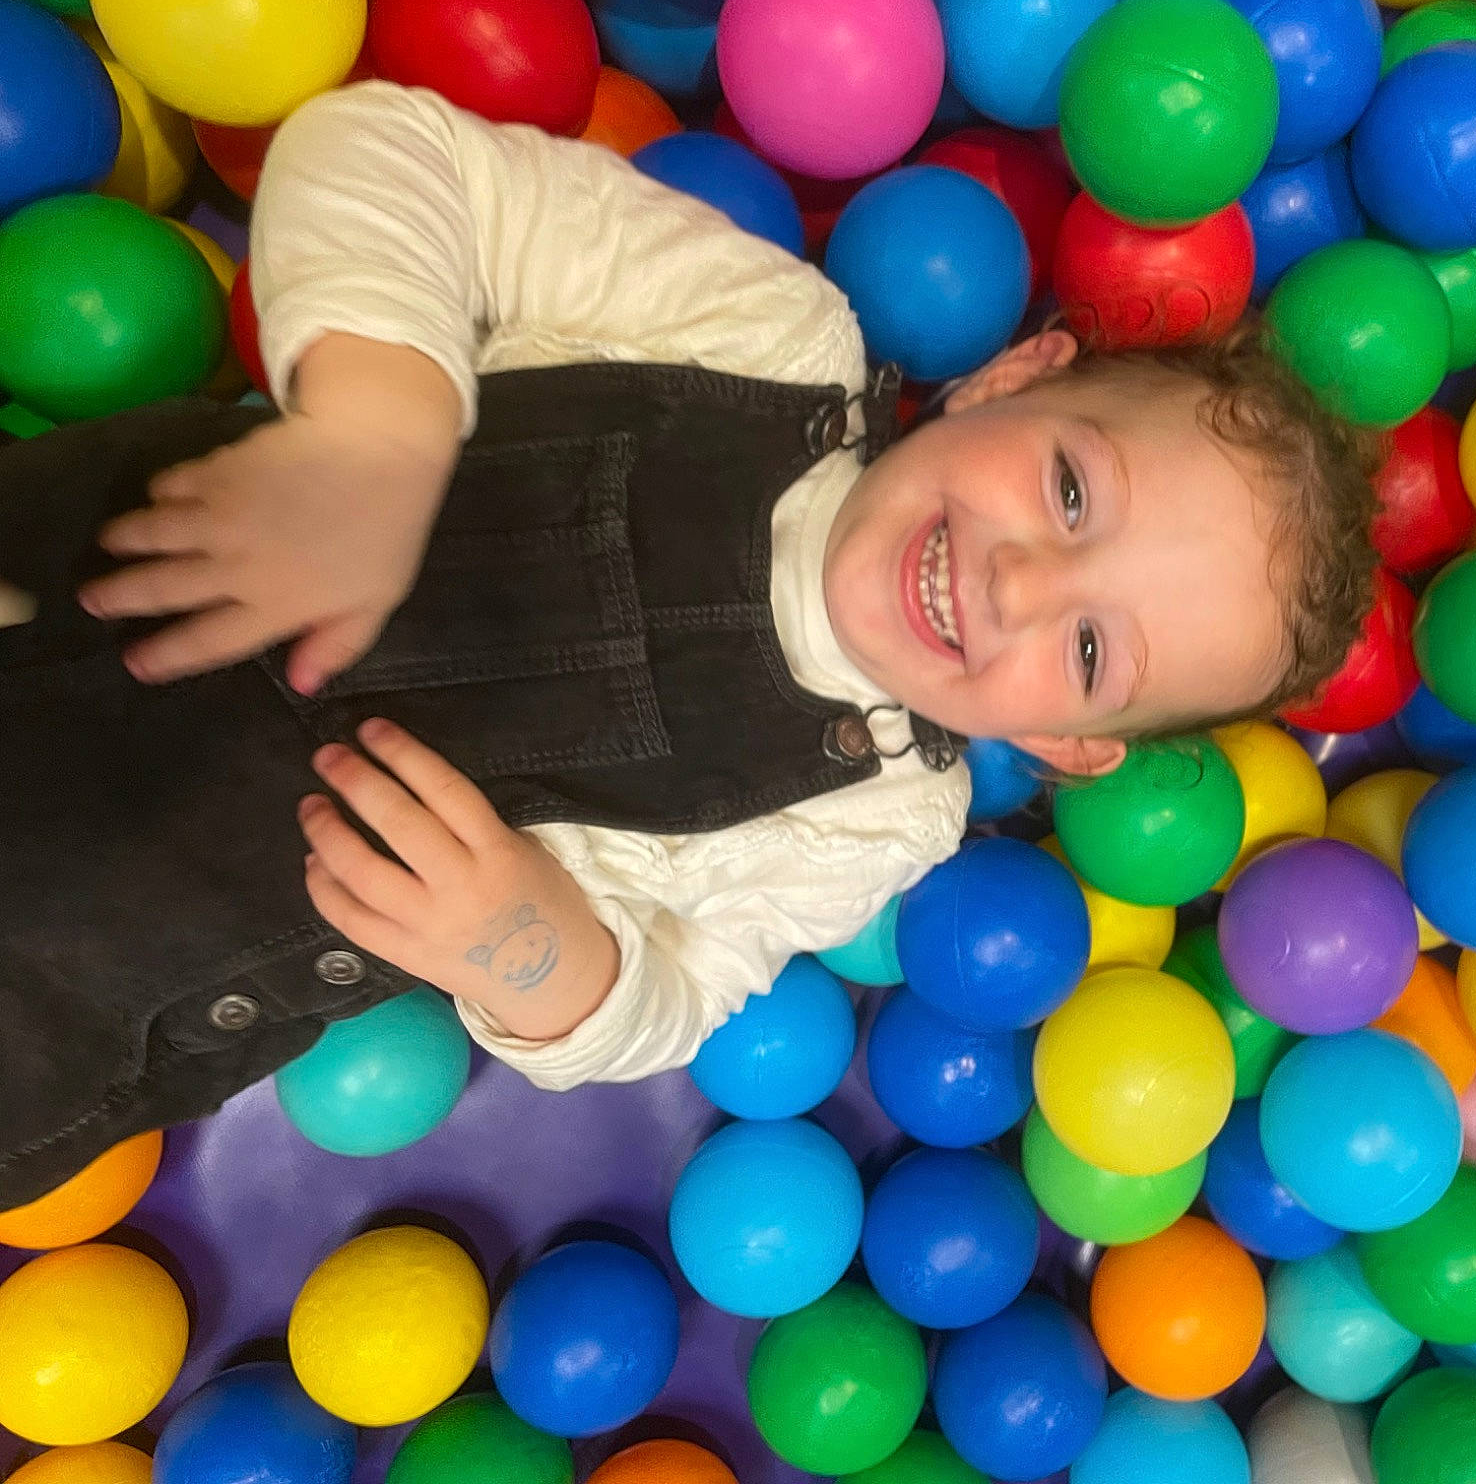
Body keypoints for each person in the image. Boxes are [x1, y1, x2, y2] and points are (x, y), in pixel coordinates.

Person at [0, 81, 1379, 1207]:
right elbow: (388, 152)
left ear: (1067, 746)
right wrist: (377, 432)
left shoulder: (878, 822)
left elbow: (670, 1000)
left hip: (82, 983)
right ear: (1018, 376)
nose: (1021, 581)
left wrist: (526, 949)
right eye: (1071, 492)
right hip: (71, 573)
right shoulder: (758, 335)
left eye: (1090, 653)